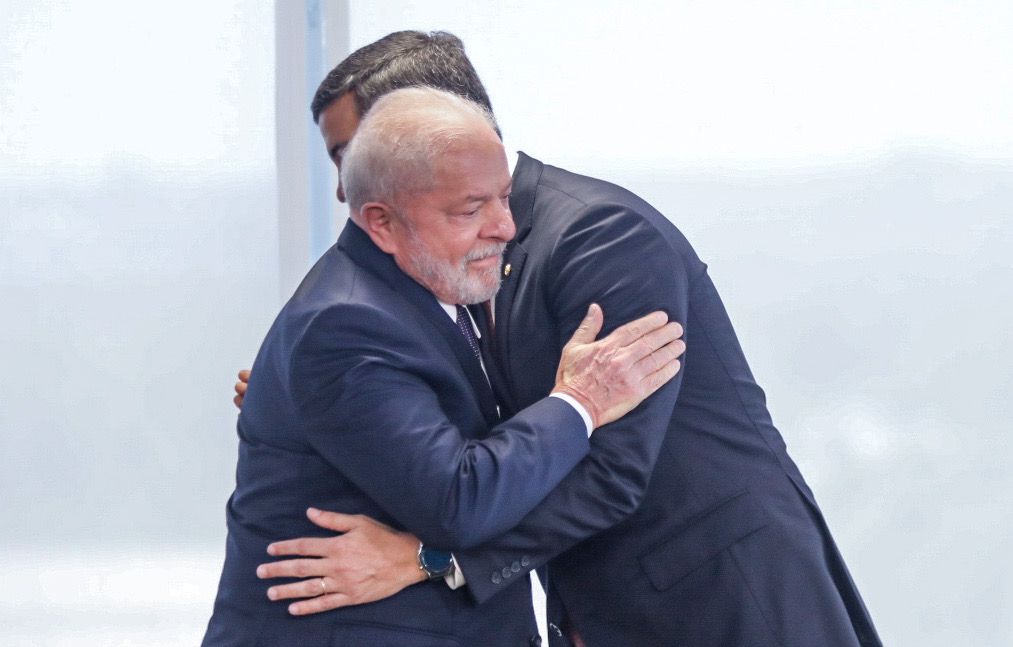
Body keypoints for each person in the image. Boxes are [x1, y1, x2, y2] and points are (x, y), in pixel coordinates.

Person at [244, 31, 882, 647]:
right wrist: (308, 403)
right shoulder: (441, 267)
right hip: (600, 602)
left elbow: (614, 470)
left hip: (727, 600)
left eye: (355, 153)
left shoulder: (601, 235)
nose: (344, 188)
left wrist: (431, 560)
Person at [203, 87, 684, 646]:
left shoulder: (433, 288)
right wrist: (580, 401)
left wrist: (424, 560)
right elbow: (459, 500)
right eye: (471, 209)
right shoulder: (344, 326)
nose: (505, 226)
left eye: (503, 198)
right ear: (380, 222)